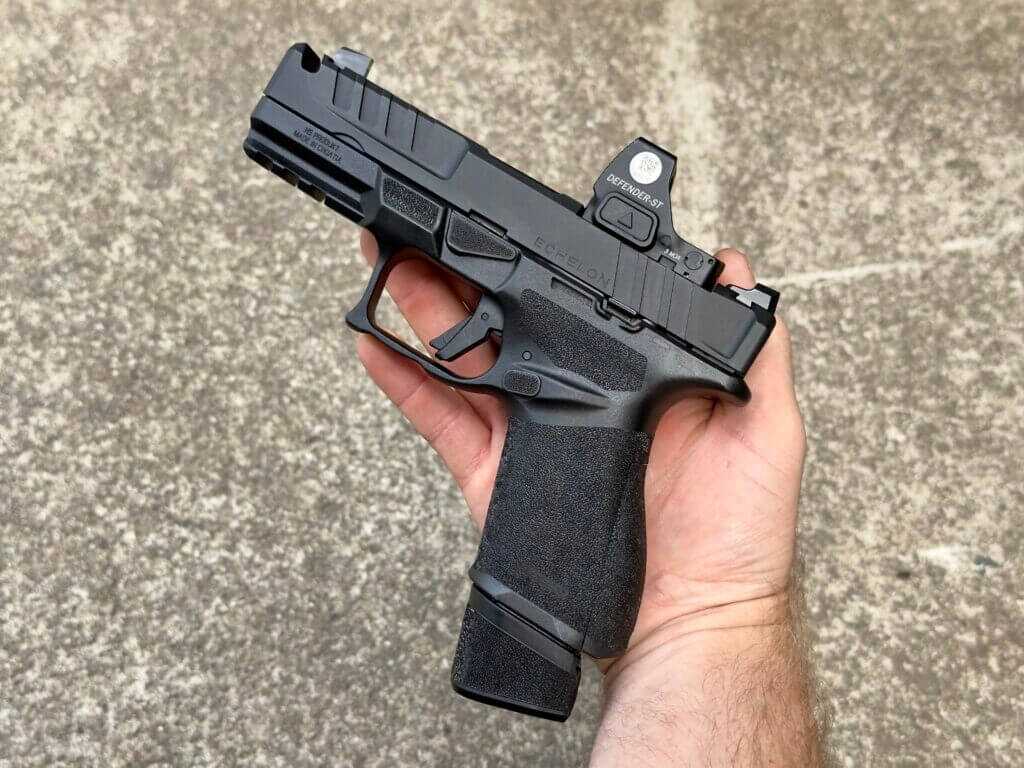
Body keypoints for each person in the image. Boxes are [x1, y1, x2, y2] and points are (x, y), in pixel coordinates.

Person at [355, 231, 827, 766]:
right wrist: (716, 623)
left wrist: (711, 616)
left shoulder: (623, 339)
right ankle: (530, 646)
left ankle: (528, 648)